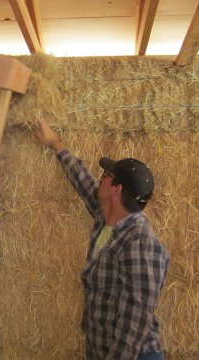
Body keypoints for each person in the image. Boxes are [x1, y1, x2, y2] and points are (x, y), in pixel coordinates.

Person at [35, 117, 170, 360]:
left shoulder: (139, 244)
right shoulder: (106, 218)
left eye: (106, 174)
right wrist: (55, 143)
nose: (100, 178)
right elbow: (83, 181)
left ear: (116, 190)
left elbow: (133, 328)